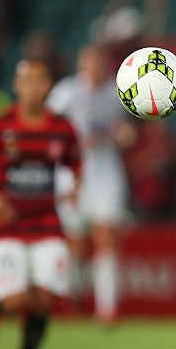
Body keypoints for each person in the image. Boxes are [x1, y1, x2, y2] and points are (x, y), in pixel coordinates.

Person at [0, 58, 81, 349]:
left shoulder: (62, 127)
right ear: (17, 87)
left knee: (44, 299)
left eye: (39, 80)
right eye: (26, 81)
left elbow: (76, 162)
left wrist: (75, 187)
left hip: (47, 224)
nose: (32, 87)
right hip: (8, 227)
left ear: (48, 86)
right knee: (17, 300)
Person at [47, 45, 132, 324]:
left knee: (105, 233)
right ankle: (74, 297)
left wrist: (120, 134)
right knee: (76, 242)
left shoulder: (116, 95)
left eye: (100, 62)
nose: (95, 68)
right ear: (81, 64)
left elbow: (126, 132)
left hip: (106, 173)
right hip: (71, 173)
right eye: (90, 62)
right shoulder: (65, 93)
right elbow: (47, 131)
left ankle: (107, 308)